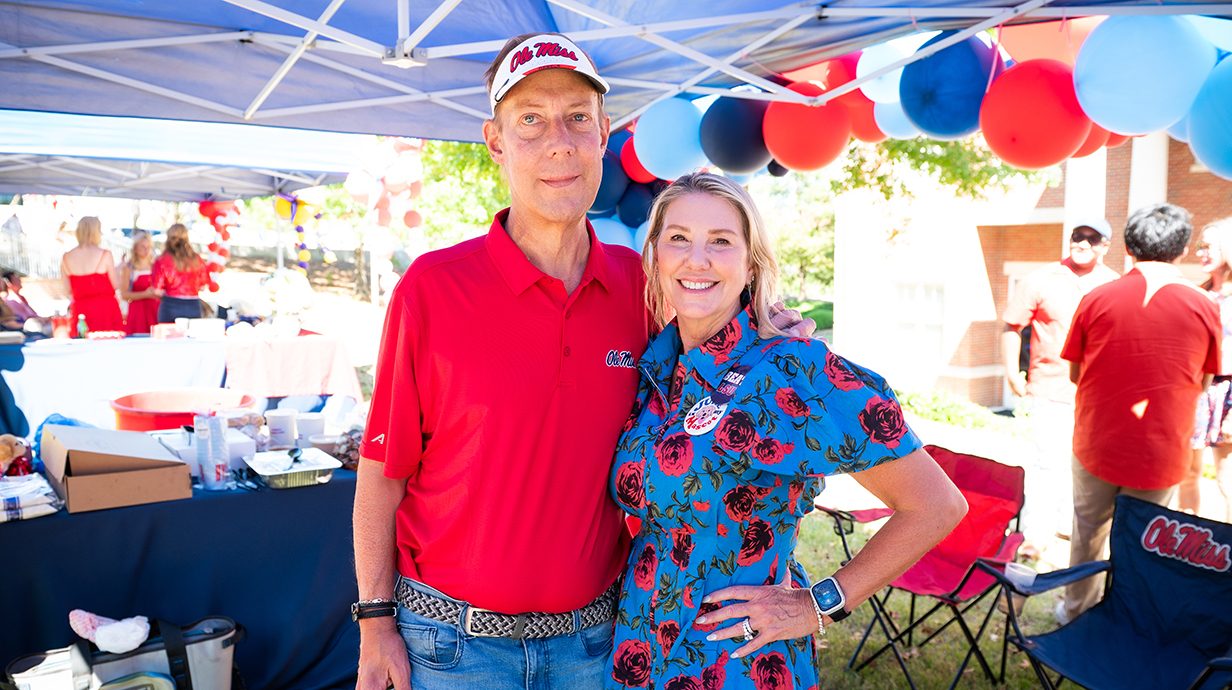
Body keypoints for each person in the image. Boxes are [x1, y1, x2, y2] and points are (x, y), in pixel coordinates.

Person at [353, 34, 813, 690]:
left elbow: (728, 363)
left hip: (596, 645)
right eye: (530, 120)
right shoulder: (432, 288)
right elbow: (382, 472)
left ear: (604, 133)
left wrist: (772, 330)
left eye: (576, 118)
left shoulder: (646, 287)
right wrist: (375, 624)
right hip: (453, 647)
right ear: (495, 141)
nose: (558, 142)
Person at [605, 173, 967, 689]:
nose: (697, 258)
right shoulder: (657, 369)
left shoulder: (789, 369)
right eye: (679, 238)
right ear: (655, 256)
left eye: (722, 241)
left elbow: (936, 505)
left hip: (734, 661)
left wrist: (817, 605)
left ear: (751, 263)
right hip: (638, 649)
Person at [1058, 203, 1221, 624]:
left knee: (1088, 533)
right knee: (1145, 543)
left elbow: (1076, 373)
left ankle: (1076, 613)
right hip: (1161, 448)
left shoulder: (1096, 296)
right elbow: (1203, 383)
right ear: (1182, 249)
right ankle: (1129, 624)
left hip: (1097, 440)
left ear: (1128, 246)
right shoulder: (1205, 306)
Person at [1001, 219, 1119, 558]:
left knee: (1085, 463)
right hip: (1050, 388)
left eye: (1092, 239)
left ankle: (1068, 525)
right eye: (1077, 237)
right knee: (1048, 461)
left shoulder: (1114, 284)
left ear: (1105, 246)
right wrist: (1012, 372)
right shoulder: (1041, 279)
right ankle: (1035, 535)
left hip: (1097, 395)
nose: (1083, 244)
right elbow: (1012, 326)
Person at [1183, 218, 1232, 522]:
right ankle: (1182, 548)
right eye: (1199, 246)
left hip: (1227, 394)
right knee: (1187, 473)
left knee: (1227, 478)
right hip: (1194, 392)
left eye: (1208, 246)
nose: (1201, 252)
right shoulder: (1196, 294)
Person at [60, 216, 124, 333]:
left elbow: (68, 289)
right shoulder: (105, 254)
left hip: (80, 311)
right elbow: (115, 284)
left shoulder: (66, 257)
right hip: (105, 310)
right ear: (95, 232)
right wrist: (120, 271)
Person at [151, 223, 207, 323]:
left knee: (169, 336)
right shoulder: (197, 259)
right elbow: (202, 287)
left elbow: (156, 291)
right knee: (192, 336)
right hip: (192, 305)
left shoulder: (161, 260)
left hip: (170, 305)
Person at [119, 229, 162, 335]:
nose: (146, 250)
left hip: (155, 310)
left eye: (148, 247)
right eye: (142, 247)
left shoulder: (156, 267)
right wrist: (145, 294)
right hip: (137, 313)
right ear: (135, 248)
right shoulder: (129, 268)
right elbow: (124, 294)